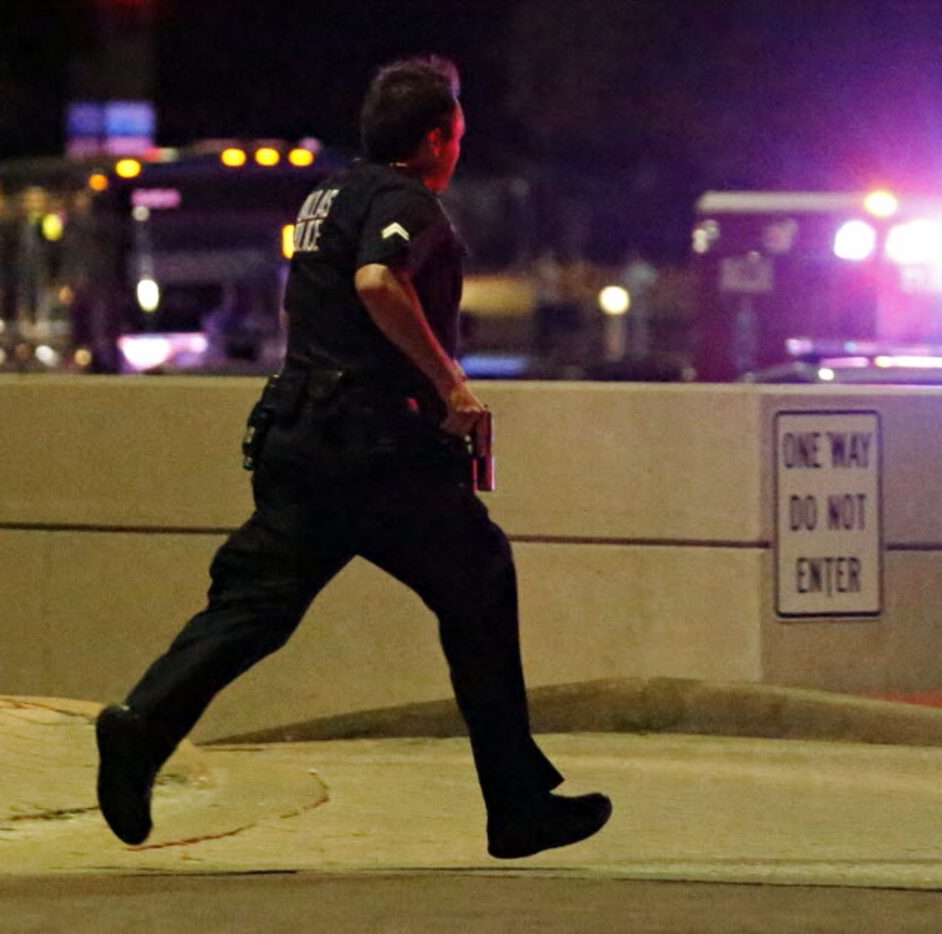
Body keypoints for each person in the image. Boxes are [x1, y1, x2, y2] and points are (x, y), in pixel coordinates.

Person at [94, 56, 612, 860]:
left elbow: (316, 296)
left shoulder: (325, 197)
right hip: (376, 449)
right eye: (458, 133)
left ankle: (139, 726)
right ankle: (514, 804)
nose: (459, 147)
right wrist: (453, 387)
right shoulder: (409, 200)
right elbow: (377, 281)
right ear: (437, 138)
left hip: (299, 435)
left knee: (256, 606)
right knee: (479, 579)